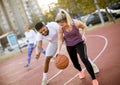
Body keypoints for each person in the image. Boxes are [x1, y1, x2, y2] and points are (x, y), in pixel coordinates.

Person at [35, 21, 99, 85]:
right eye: (41, 32)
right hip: (53, 43)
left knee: (79, 52)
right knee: (47, 59)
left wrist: (61, 45)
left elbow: (63, 31)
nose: (43, 32)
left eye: (44, 30)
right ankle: (44, 79)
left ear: (45, 26)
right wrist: (38, 53)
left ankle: (92, 65)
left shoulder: (53, 25)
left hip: (63, 38)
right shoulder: (39, 35)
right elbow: (39, 46)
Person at [55, 9, 99, 85]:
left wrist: (84, 35)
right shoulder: (60, 28)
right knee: (75, 63)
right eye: (59, 24)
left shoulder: (75, 23)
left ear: (66, 20)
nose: (60, 26)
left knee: (84, 59)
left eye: (62, 24)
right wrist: (58, 50)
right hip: (69, 45)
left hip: (80, 43)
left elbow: (84, 27)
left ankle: (94, 78)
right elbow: (60, 40)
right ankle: (80, 71)